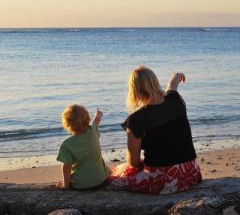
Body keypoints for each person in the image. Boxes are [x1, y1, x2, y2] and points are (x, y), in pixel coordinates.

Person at [109, 66, 202, 194]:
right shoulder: (175, 100)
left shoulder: (135, 120)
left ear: (134, 90)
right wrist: (177, 74)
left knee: (115, 177)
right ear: (155, 82)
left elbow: (134, 162)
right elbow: (172, 85)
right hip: (191, 173)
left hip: (165, 181)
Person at [56, 105, 110, 190]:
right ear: (87, 119)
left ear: (66, 124)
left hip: (81, 185)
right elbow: (96, 121)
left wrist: (66, 186)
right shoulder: (93, 130)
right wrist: (98, 114)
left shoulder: (67, 144)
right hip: (102, 180)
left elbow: (66, 168)